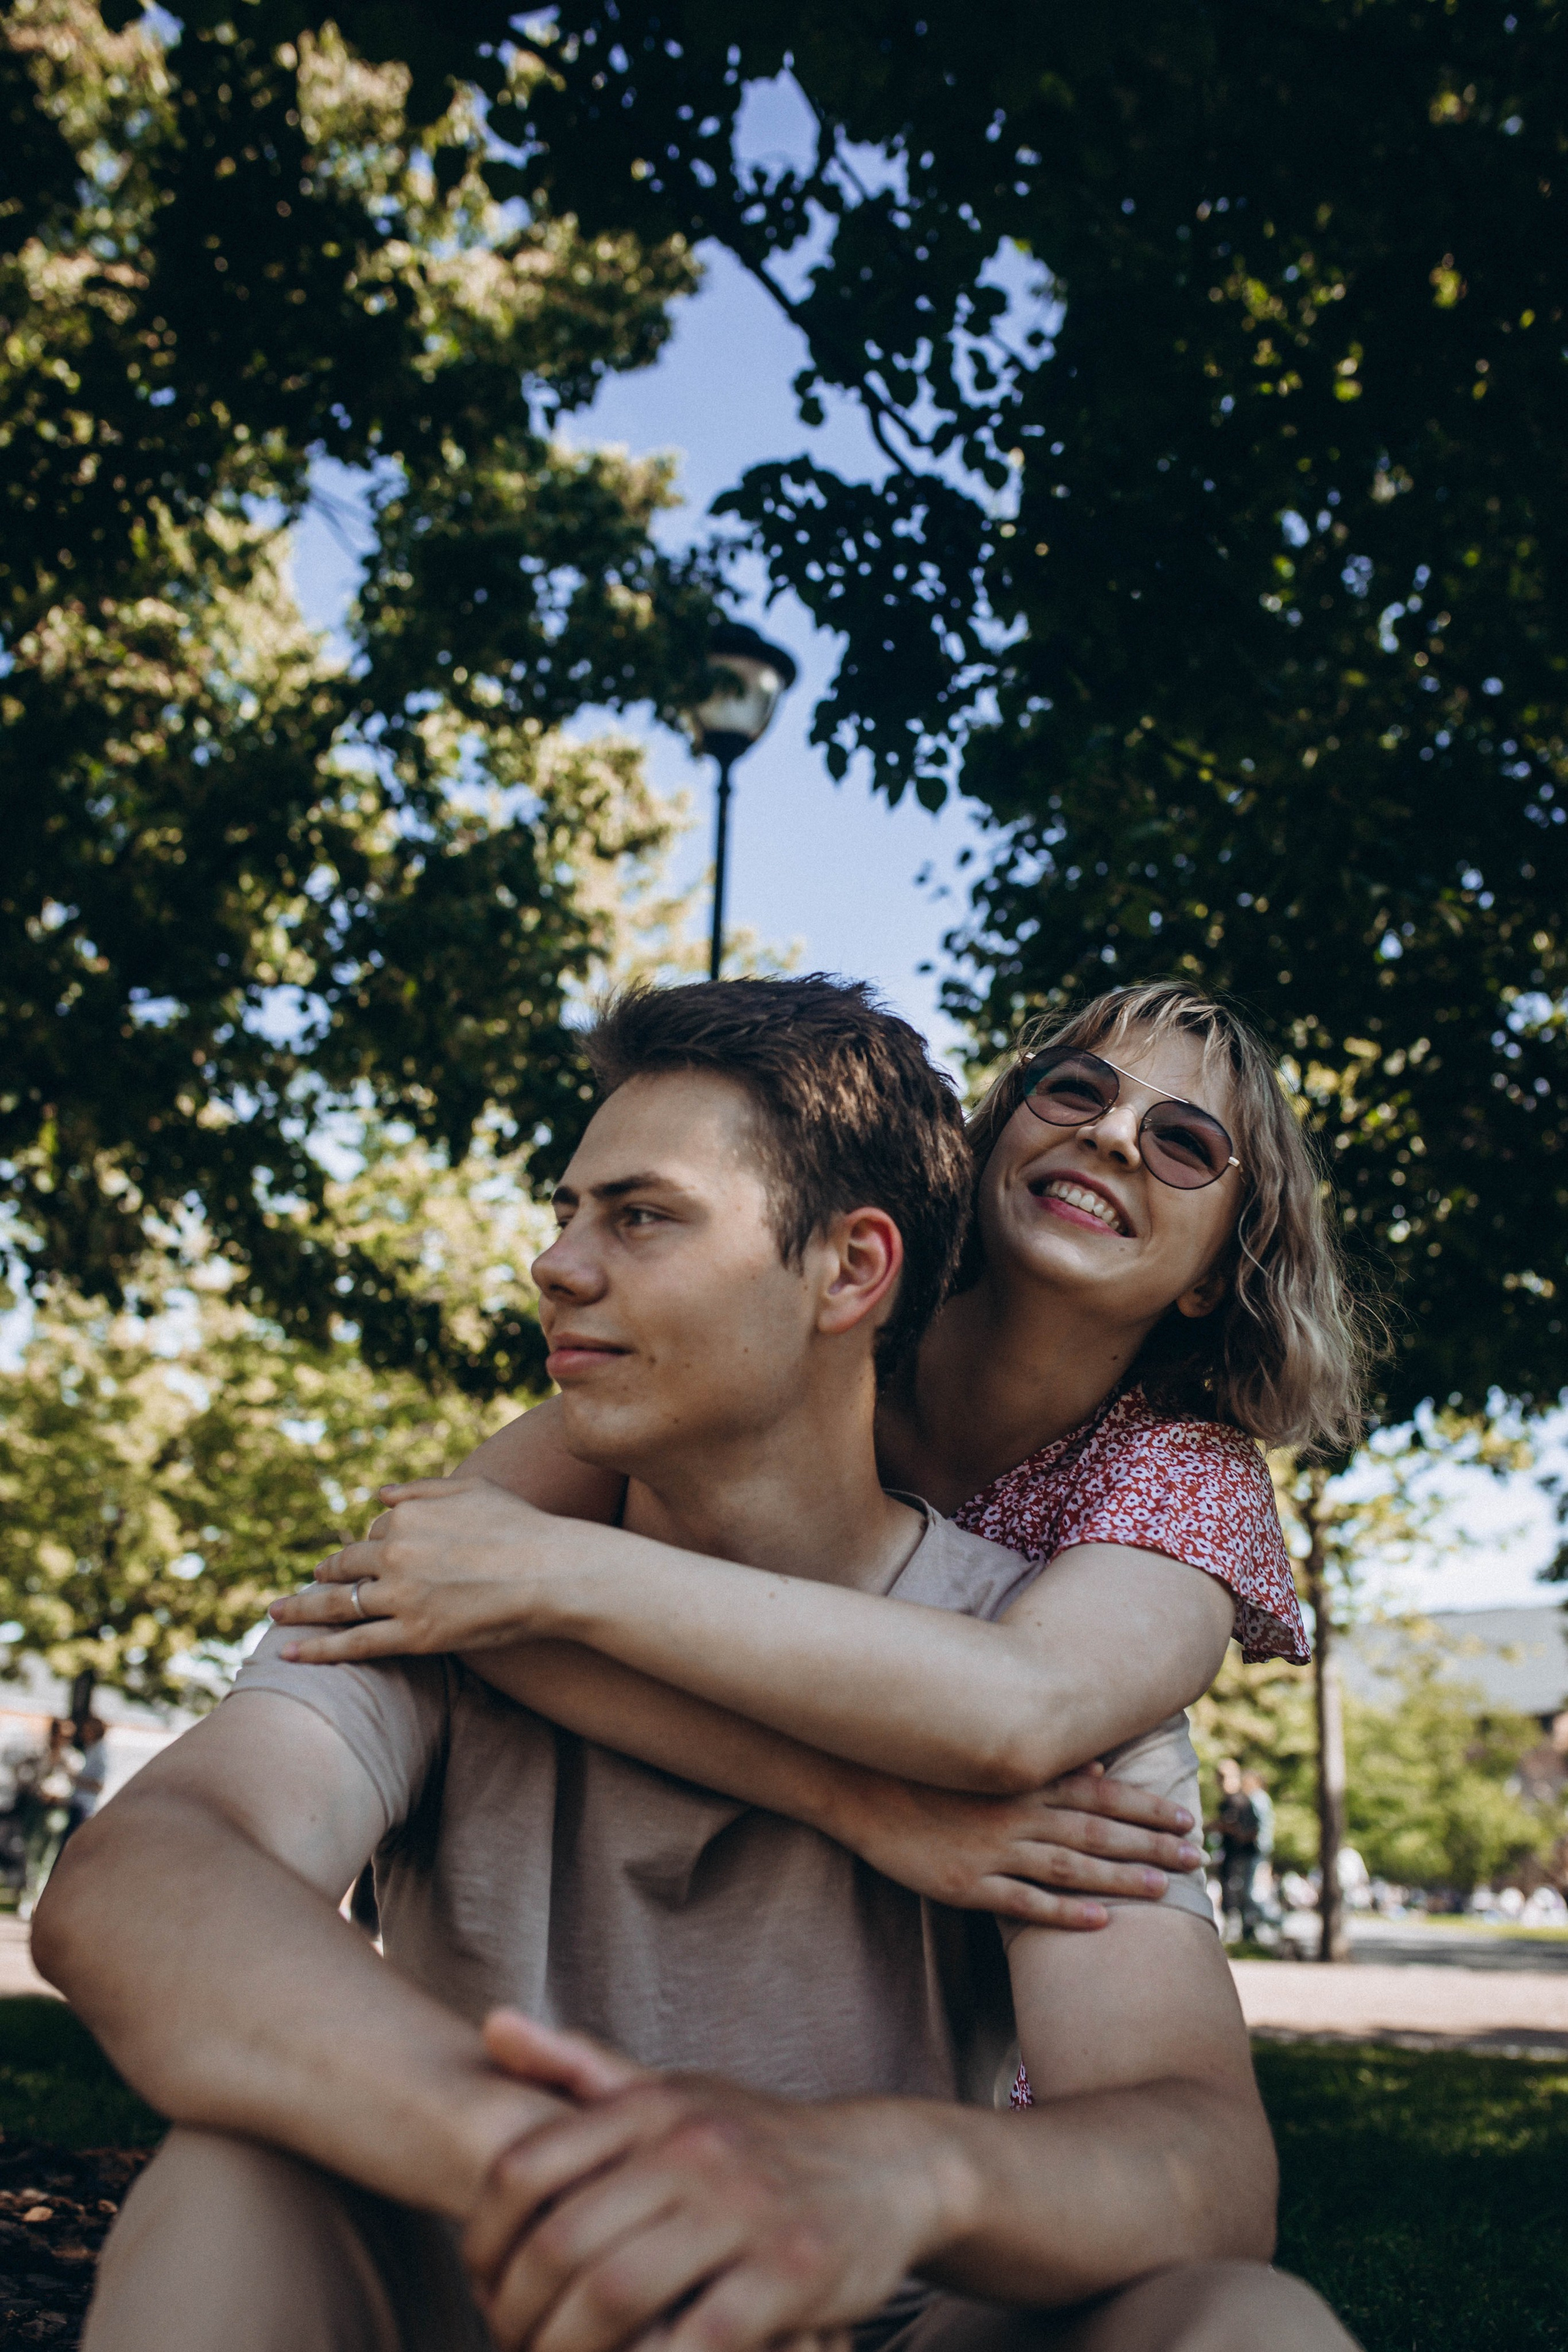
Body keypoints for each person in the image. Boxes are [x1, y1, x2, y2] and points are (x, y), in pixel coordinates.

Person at [38, 977, 1359, 2352]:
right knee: (228, 2184)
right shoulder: (493, 1555)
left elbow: (1020, 1738)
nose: (551, 1264)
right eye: (1074, 1092)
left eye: (643, 1217)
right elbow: (144, 1871)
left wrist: (895, 2175)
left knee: (1238, 2322)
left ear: (854, 1270)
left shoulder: (1120, 1567)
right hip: (474, 2284)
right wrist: (559, 2168)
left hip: (869, 2310)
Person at [271, 978, 1362, 1968]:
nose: (1115, 1135)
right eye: (1074, 1089)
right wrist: (856, 1803)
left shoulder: (1186, 1478)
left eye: (1184, 1143)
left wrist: (563, 1574)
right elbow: (439, 1578)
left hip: (958, 2007)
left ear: (1216, 1274)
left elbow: (1024, 1710)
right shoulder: (809, 1330)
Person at [1213, 1762, 1262, 1945]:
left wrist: (1234, 1831)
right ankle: (1235, 1934)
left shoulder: (1243, 1802)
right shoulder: (1225, 1804)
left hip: (1244, 1857)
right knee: (1229, 1894)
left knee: (1243, 1895)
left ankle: (1247, 1934)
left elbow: (1253, 1829)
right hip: (1229, 1856)